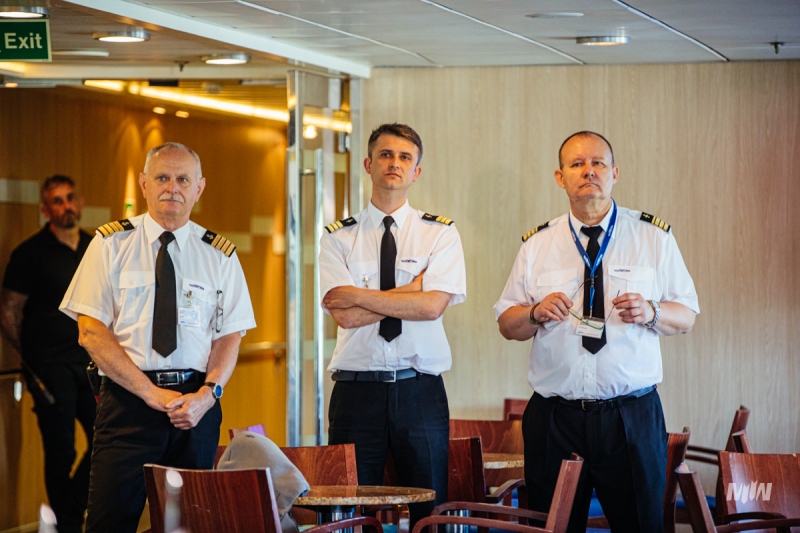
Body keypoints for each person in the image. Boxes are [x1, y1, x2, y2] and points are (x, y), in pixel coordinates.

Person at [494, 131, 699, 533]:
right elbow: (507, 324)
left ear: (615, 172)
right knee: (552, 528)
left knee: (641, 525)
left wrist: (652, 311)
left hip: (630, 415)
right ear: (560, 177)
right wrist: (534, 313)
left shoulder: (653, 237)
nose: (588, 172)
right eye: (576, 164)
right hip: (556, 418)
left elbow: (687, 314)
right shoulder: (538, 244)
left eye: (598, 163)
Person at [59, 142, 256, 533]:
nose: (172, 188)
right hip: (128, 405)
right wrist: (150, 393)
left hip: (195, 408)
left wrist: (208, 393)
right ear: (143, 183)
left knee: (191, 525)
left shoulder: (219, 255)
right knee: (108, 522)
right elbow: (91, 332)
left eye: (182, 179)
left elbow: (229, 336)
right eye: (162, 178)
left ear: (199, 188)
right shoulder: (109, 244)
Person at [319, 123, 466, 526]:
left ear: (416, 172)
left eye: (404, 158)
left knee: (429, 506)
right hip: (355, 391)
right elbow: (343, 314)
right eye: (385, 155)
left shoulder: (440, 234)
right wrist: (411, 291)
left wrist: (365, 296)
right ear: (368, 164)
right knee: (350, 508)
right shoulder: (337, 238)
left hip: (419, 389)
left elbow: (433, 307)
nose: (394, 164)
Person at [0, 175, 95, 533]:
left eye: (70, 198)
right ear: (45, 210)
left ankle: (66, 517)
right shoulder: (29, 253)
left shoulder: (94, 247)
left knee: (104, 436)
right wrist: (30, 359)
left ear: (80, 202)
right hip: (48, 366)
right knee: (62, 452)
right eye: (57, 201)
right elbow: (9, 311)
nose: (65, 205)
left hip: (90, 361)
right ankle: (67, 526)